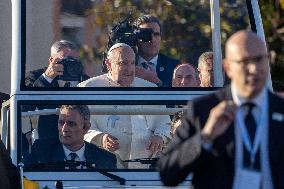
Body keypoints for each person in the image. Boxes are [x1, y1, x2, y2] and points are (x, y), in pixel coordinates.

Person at [159, 30, 284, 189]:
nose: (253, 69)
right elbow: (168, 175)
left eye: (259, 59)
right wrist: (205, 136)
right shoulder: (203, 109)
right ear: (228, 67)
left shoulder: (280, 110)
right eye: (244, 61)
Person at [78, 43, 172, 168]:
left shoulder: (149, 89)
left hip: (144, 168)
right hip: (104, 168)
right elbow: (78, 126)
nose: (129, 69)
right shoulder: (88, 89)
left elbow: (165, 124)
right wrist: (100, 138)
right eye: (123, 63)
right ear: (109, 64)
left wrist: (159, 136)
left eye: (132, 63)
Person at [23, 40, 91, 141]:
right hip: (46, 137)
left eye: (74, 62)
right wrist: (47, 78)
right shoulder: (36, 77)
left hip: (77, 138)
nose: (69, 65)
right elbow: (25, 106)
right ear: (51, 60)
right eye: (65, 61)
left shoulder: (85, 80)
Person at [24, 105, 117, 169]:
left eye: (71, 124)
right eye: (61, 123)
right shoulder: (40, 152)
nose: (64, 129)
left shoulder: (105, 159)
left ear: (86, 128)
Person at [135, 15, 180, 87]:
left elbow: (179, 96)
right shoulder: (126, 65)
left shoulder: (175, 67)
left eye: (156, 34)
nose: (152, 40)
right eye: (146, 35)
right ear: (136, 37)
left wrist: (157, 83)